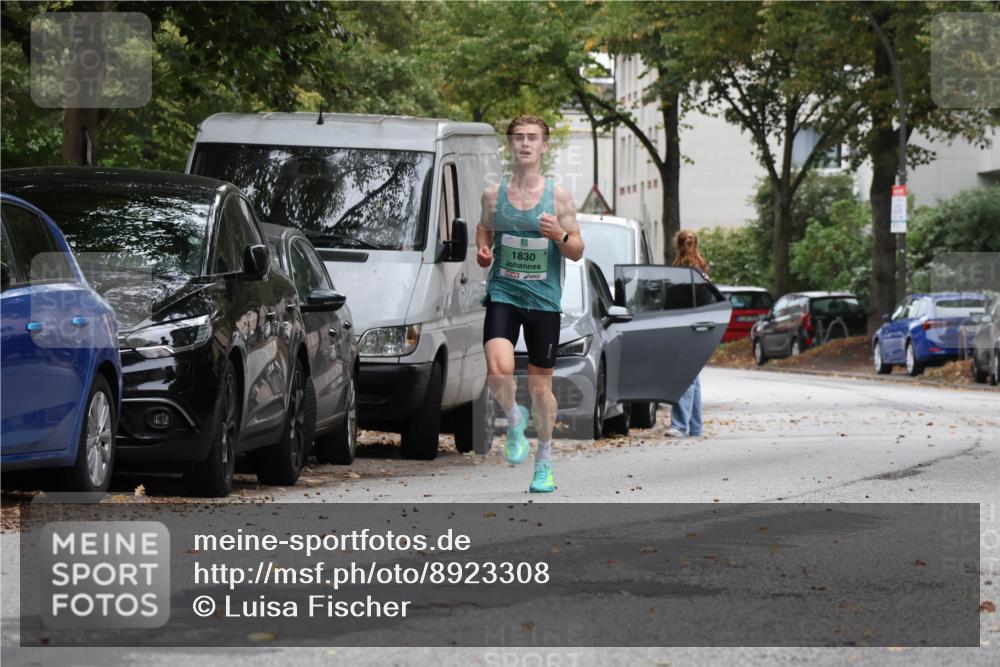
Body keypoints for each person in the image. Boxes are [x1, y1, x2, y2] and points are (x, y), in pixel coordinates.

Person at [476, 115, 584, 493]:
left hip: (544, 302)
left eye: (532, 138)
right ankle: (514, 420)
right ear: (510, 144)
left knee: (541, 390)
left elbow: (576, 251)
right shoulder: (494, 194)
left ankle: (545, 462)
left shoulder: (559, 197)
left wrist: (560, 234)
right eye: (519, 137)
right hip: (504, 293)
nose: (525, 143)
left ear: (544, 146)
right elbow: (484, 226)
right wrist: (483, 250)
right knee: (498, 368)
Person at [668, 229, 710, 438]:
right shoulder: (701, 267)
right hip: (700, 325)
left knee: (683, 375)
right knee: (693, 375)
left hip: (684, 325)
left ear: (678, 244)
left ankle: (680, 424)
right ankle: (695, 426)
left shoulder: (681, 268)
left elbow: (675, 300)